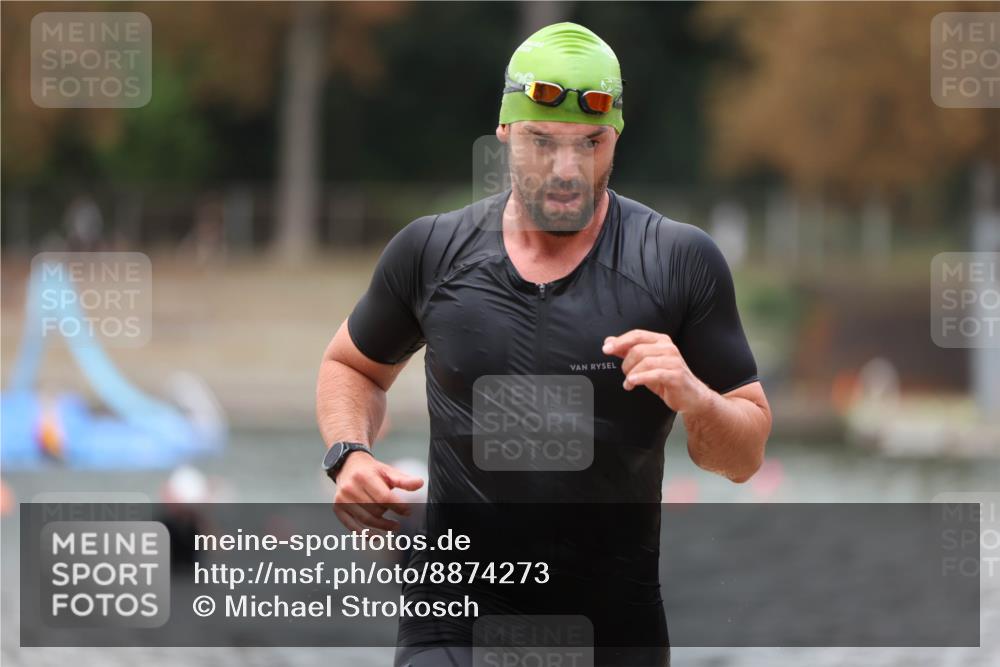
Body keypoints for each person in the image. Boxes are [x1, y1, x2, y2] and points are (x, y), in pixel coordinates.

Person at [316, 22, 772, 667]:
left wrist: (696, 399)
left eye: (591, 142)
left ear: (616, 133)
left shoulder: (678, 261)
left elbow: (745, 454)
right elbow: (351, 366)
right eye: (542, 141)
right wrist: (349, 453)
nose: (567, 170)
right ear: (503, 130)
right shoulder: (432, 252)